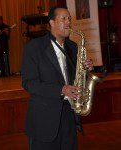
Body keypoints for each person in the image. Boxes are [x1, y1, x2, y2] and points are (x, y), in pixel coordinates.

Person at [21, 6, 93, 150]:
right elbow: (29, 83)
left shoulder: (73, 47)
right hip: (44, 120)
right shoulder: (34, 47)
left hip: (69, 117)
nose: (68, 23)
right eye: (63, 19)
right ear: (52, 22)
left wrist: (85, 70)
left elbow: (77, 80)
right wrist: (61, 89)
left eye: (69, 19)